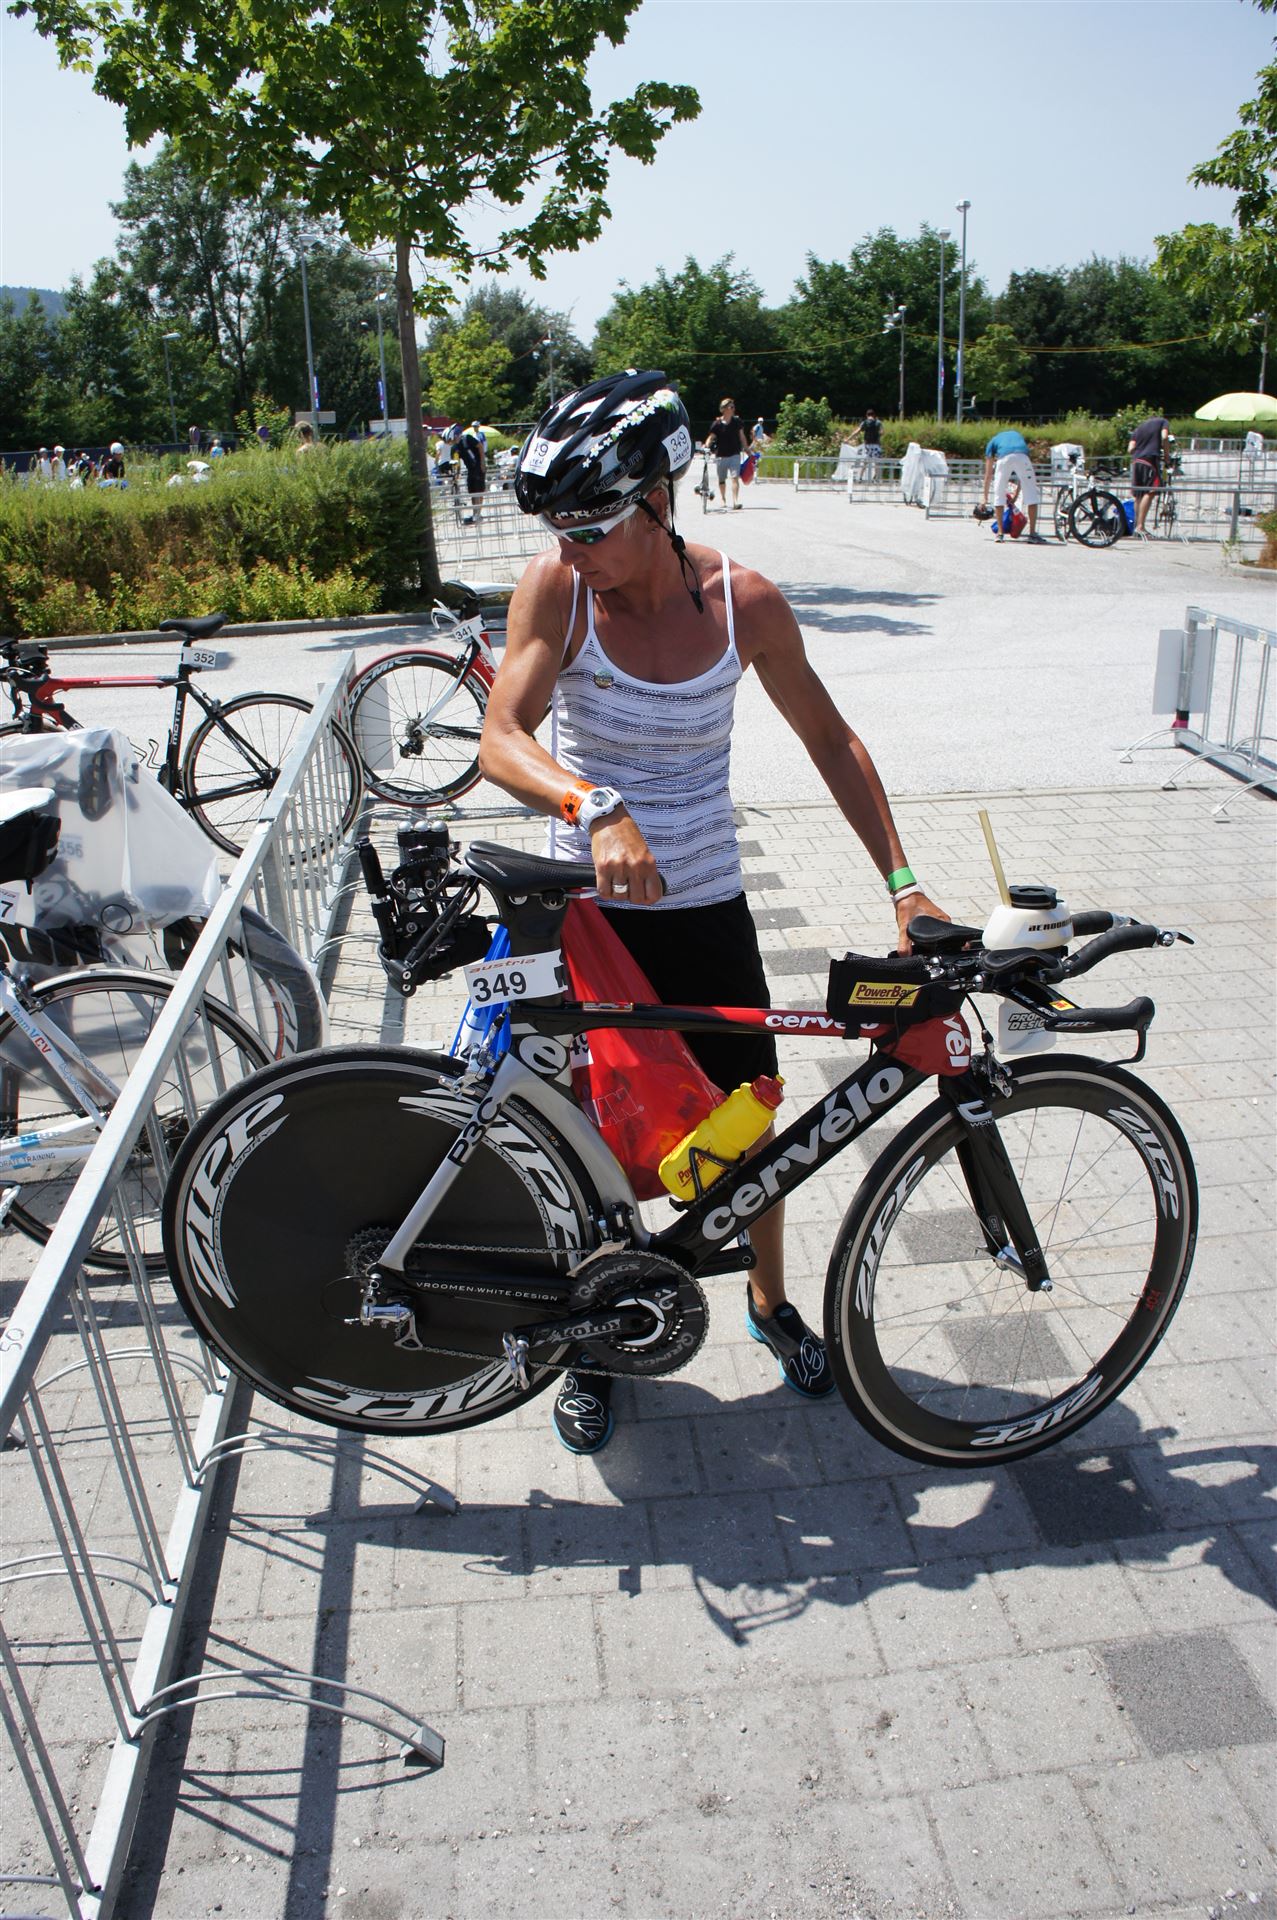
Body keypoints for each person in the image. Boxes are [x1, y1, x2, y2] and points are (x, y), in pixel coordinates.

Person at [478, 369, 947, 1454]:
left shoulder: (746, 602)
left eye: (588, 528)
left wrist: (902, 885)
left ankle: (768, 1304)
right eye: (557, 530)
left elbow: (829, 739)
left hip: (706, 905)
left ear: (656, 500)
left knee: (746, 1122)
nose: (570, 550)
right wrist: (591, 804)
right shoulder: (557, 591)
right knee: (590, 1136)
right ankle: (593, 1340)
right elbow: (501, 736)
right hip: (589, 919)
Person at [979, 427, 1043, 542]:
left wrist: (985, 498)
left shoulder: (992, 442)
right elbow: (1022, 477)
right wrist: (1016, 495)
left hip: (1004, 459)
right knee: (1031, 496)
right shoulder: (1018, 436)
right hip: (1023, 457)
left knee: (999, 494)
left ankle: (1000, 533)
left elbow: (988, 475)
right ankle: (1032, 534)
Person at [705, 397, 753, 510]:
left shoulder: (737, 422)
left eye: (733, 407)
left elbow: (742, 436)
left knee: (735, 477)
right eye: (731, 407)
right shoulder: (717, 424)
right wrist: (706, 446)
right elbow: (711, 437)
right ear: (724, 409)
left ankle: (735, 501)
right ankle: (723, 499)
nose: (733, 409)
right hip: (721, 455)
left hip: (735, 454)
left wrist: (747, 449)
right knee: (722, 479)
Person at [1128, 409, 1171, 535]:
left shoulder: (1139, 428)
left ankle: (1136, 526)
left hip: (1137, 461)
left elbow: (1130, 449)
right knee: (1150, 491)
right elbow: (1164, 437)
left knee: (1138, 494)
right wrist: (1166, 455)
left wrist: (1141, 450)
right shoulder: (1163, 422)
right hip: (1150, 461)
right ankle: (1140, 526)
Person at [454, 421, 487, 523]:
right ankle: (475, 513)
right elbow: (457, 460)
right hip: (470, 469)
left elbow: (480, 446)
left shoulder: (467, 438)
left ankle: (478, 513)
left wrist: (482, 463)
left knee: (478, 490)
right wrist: (457, 473)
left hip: (478, 466)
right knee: (472, 491)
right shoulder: (457, 446)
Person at [852, 408, 883, 482]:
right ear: (874, 415)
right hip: (876, 445)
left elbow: (857, 431)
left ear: (866, 415)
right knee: (876, 463)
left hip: (867, 445)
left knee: (865, 462)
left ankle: (860, 478)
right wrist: (878, 435)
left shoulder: (865, 422)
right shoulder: (878, 422)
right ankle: (876, 479)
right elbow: (882, 432)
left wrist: (848, 438)